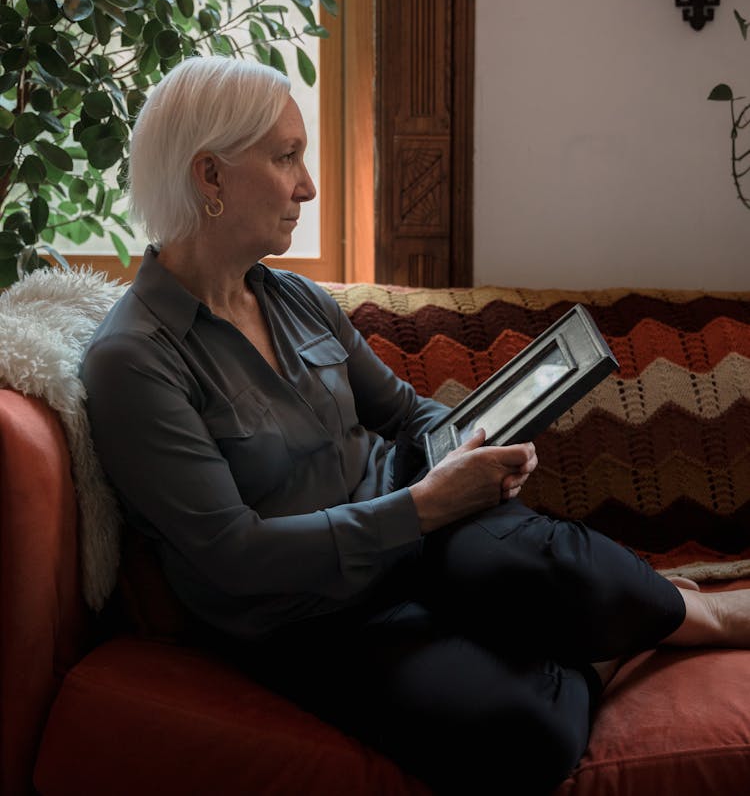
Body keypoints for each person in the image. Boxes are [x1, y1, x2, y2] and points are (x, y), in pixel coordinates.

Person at [82, 55, 750, 795]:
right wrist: (429, 504)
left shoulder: (298, 299)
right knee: (531, 740)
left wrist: (472, 441)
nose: (307, 185)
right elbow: (235, 555)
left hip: (422, 532)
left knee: (568, 570)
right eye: (286, 157)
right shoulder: (133, 361)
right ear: (210, 176)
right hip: (313, 617)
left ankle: (708, 617)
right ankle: (611, 648)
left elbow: (406, 412)